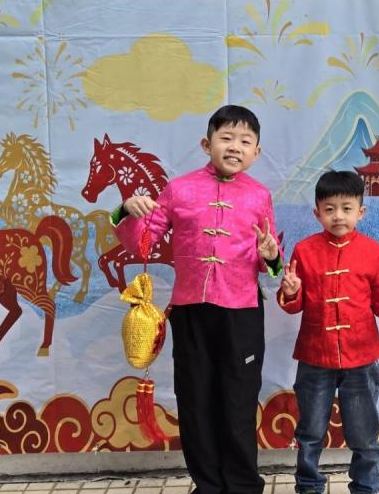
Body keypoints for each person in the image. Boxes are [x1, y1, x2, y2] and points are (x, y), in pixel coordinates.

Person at [113, 105, 282, 494]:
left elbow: (269, 263)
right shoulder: (179, 190)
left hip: (242, 312)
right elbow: (142, 243)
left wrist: (271, 256)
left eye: (245, 141)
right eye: (226, 138)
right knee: (194, 398)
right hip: (191, 312)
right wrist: (126, 211)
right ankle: (207, 485)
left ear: (256, 152)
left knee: (238, 400)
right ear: (207, 144)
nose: (235, 147)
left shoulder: (260, 196)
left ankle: (242, 486)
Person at [278, 170, 379, 494]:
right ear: (317, 213)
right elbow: (294, 304)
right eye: (329, 209)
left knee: (365, 434)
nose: (338, 216)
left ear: (360, 212)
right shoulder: (304, 250)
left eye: (346, 208)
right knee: (310, 433)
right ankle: (309, 486)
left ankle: (365, 488)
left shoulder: (372, 251)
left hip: (362, 357)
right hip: (315, 356)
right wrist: (291, 292)